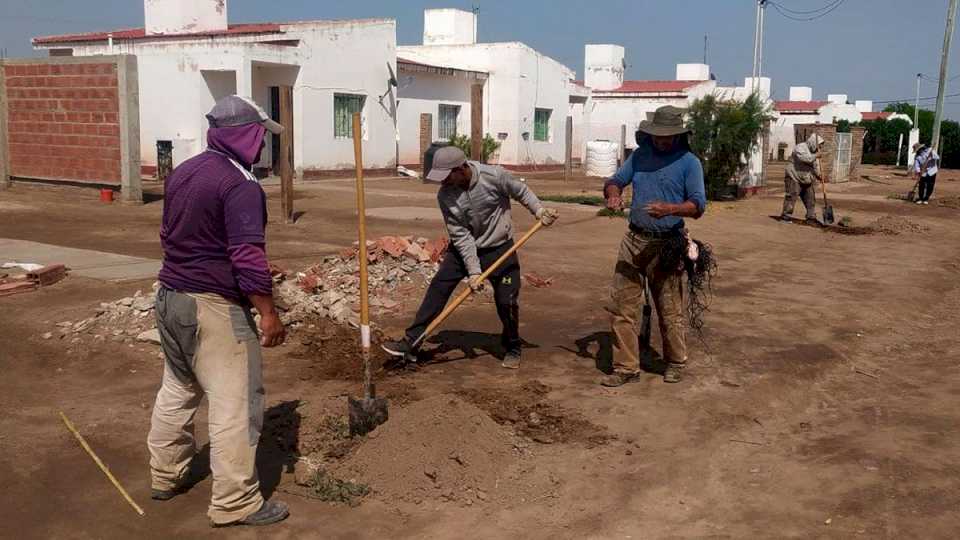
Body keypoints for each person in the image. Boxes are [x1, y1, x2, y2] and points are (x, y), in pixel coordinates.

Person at [148, 95, 289, 528]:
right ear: (247, 134)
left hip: (170, 297)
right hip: (212, 307)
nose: (265, 144)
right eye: (262, 135)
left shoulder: (186, 171)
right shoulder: (240, 184)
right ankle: (236, 503)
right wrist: (267, 311)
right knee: (236, 404)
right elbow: (246, 254)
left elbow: (172, 232)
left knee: (179, 388)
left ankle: (165, 475)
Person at [382, 146, 559, 369]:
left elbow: (521, 191)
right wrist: (474, 271)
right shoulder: (445, 195)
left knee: (507, 300)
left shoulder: (493, 176)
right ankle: (412, 342)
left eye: (446, 176)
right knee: (438, 288)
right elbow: (461, 235)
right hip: (463, 250)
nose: (442, 182)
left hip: (500, 248)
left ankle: (512, 345)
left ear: (461, 168)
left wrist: (539, 211)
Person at [601, 106, 706, 386]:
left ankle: (675, 361)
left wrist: (670, 209)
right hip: (633, 241)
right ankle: (626, 367)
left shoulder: (689, 163)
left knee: (669, 308)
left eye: (668, 136)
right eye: (658, 135)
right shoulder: (639, 157)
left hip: (667, 243)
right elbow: (615, 181)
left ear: (678, 136)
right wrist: (613, 195)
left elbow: (698, 205)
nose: (662, 140)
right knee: (622, 306)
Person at [781, 133, 826, 224]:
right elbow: (805, 158)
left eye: (821, 146)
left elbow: (815, 166)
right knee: (791, 197)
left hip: (806, 179)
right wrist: (816, 155)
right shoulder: (800, 147)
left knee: (811, 198)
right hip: (794, 176)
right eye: (819, 146)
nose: (819, 148)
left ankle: (811, 217)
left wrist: (819, 175)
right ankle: (786, 216)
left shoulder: (815, 153)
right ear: (814, 143)